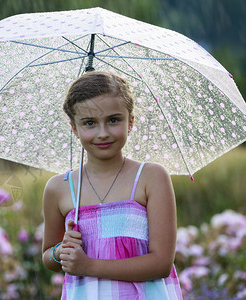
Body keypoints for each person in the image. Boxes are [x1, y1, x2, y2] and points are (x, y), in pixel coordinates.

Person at [42, 71, 182, 299]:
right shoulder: (59, 188)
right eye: (89, 123)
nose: (103, 133)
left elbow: (161, 263)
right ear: (74, 128)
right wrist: (60, 252)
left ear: (131, 122)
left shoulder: (150, 177)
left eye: (113, 120)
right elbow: (48, 257)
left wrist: (88, 266)